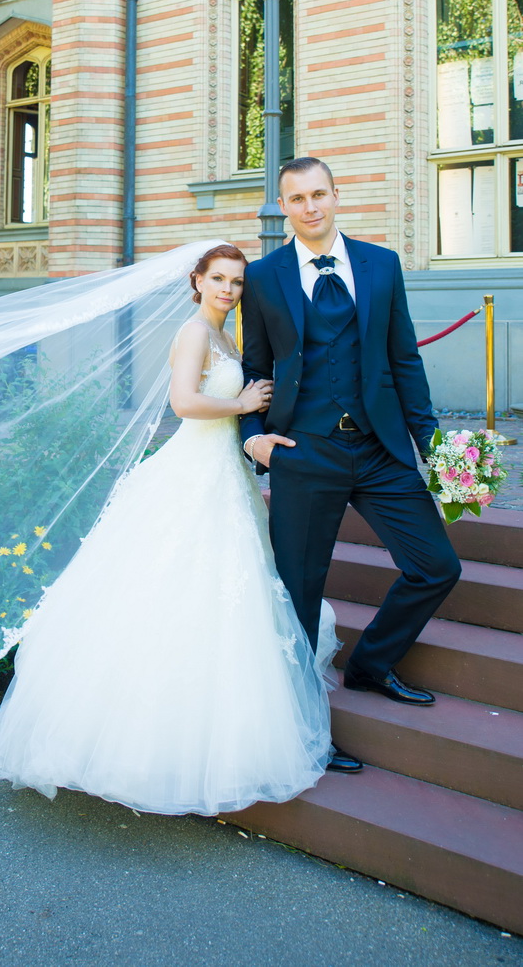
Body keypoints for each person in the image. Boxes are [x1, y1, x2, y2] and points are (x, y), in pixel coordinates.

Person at [0, 243, 338, 816]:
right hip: (192, 471)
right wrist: (242, 401)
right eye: (217, 278)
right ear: (196, 281)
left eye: (237, 281)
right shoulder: (196, 331)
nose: (227, 288)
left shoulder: (227, 336)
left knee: (230, 597)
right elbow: (183, 402)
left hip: (226, 474)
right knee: (168, 595)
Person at [240, 157, 461, 772]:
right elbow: (255, 367)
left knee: (436, 565)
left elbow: (405, 360)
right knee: (299, 595)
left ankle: (369, 665)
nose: (309, 207)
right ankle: (304, 727)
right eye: (296, 199)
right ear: (282, 206)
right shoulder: (263, 277)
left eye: (318, 194)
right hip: (303, 453)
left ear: (337, 195)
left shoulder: (381, 264)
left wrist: (435, 451)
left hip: (378, 447)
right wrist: (251, 434)